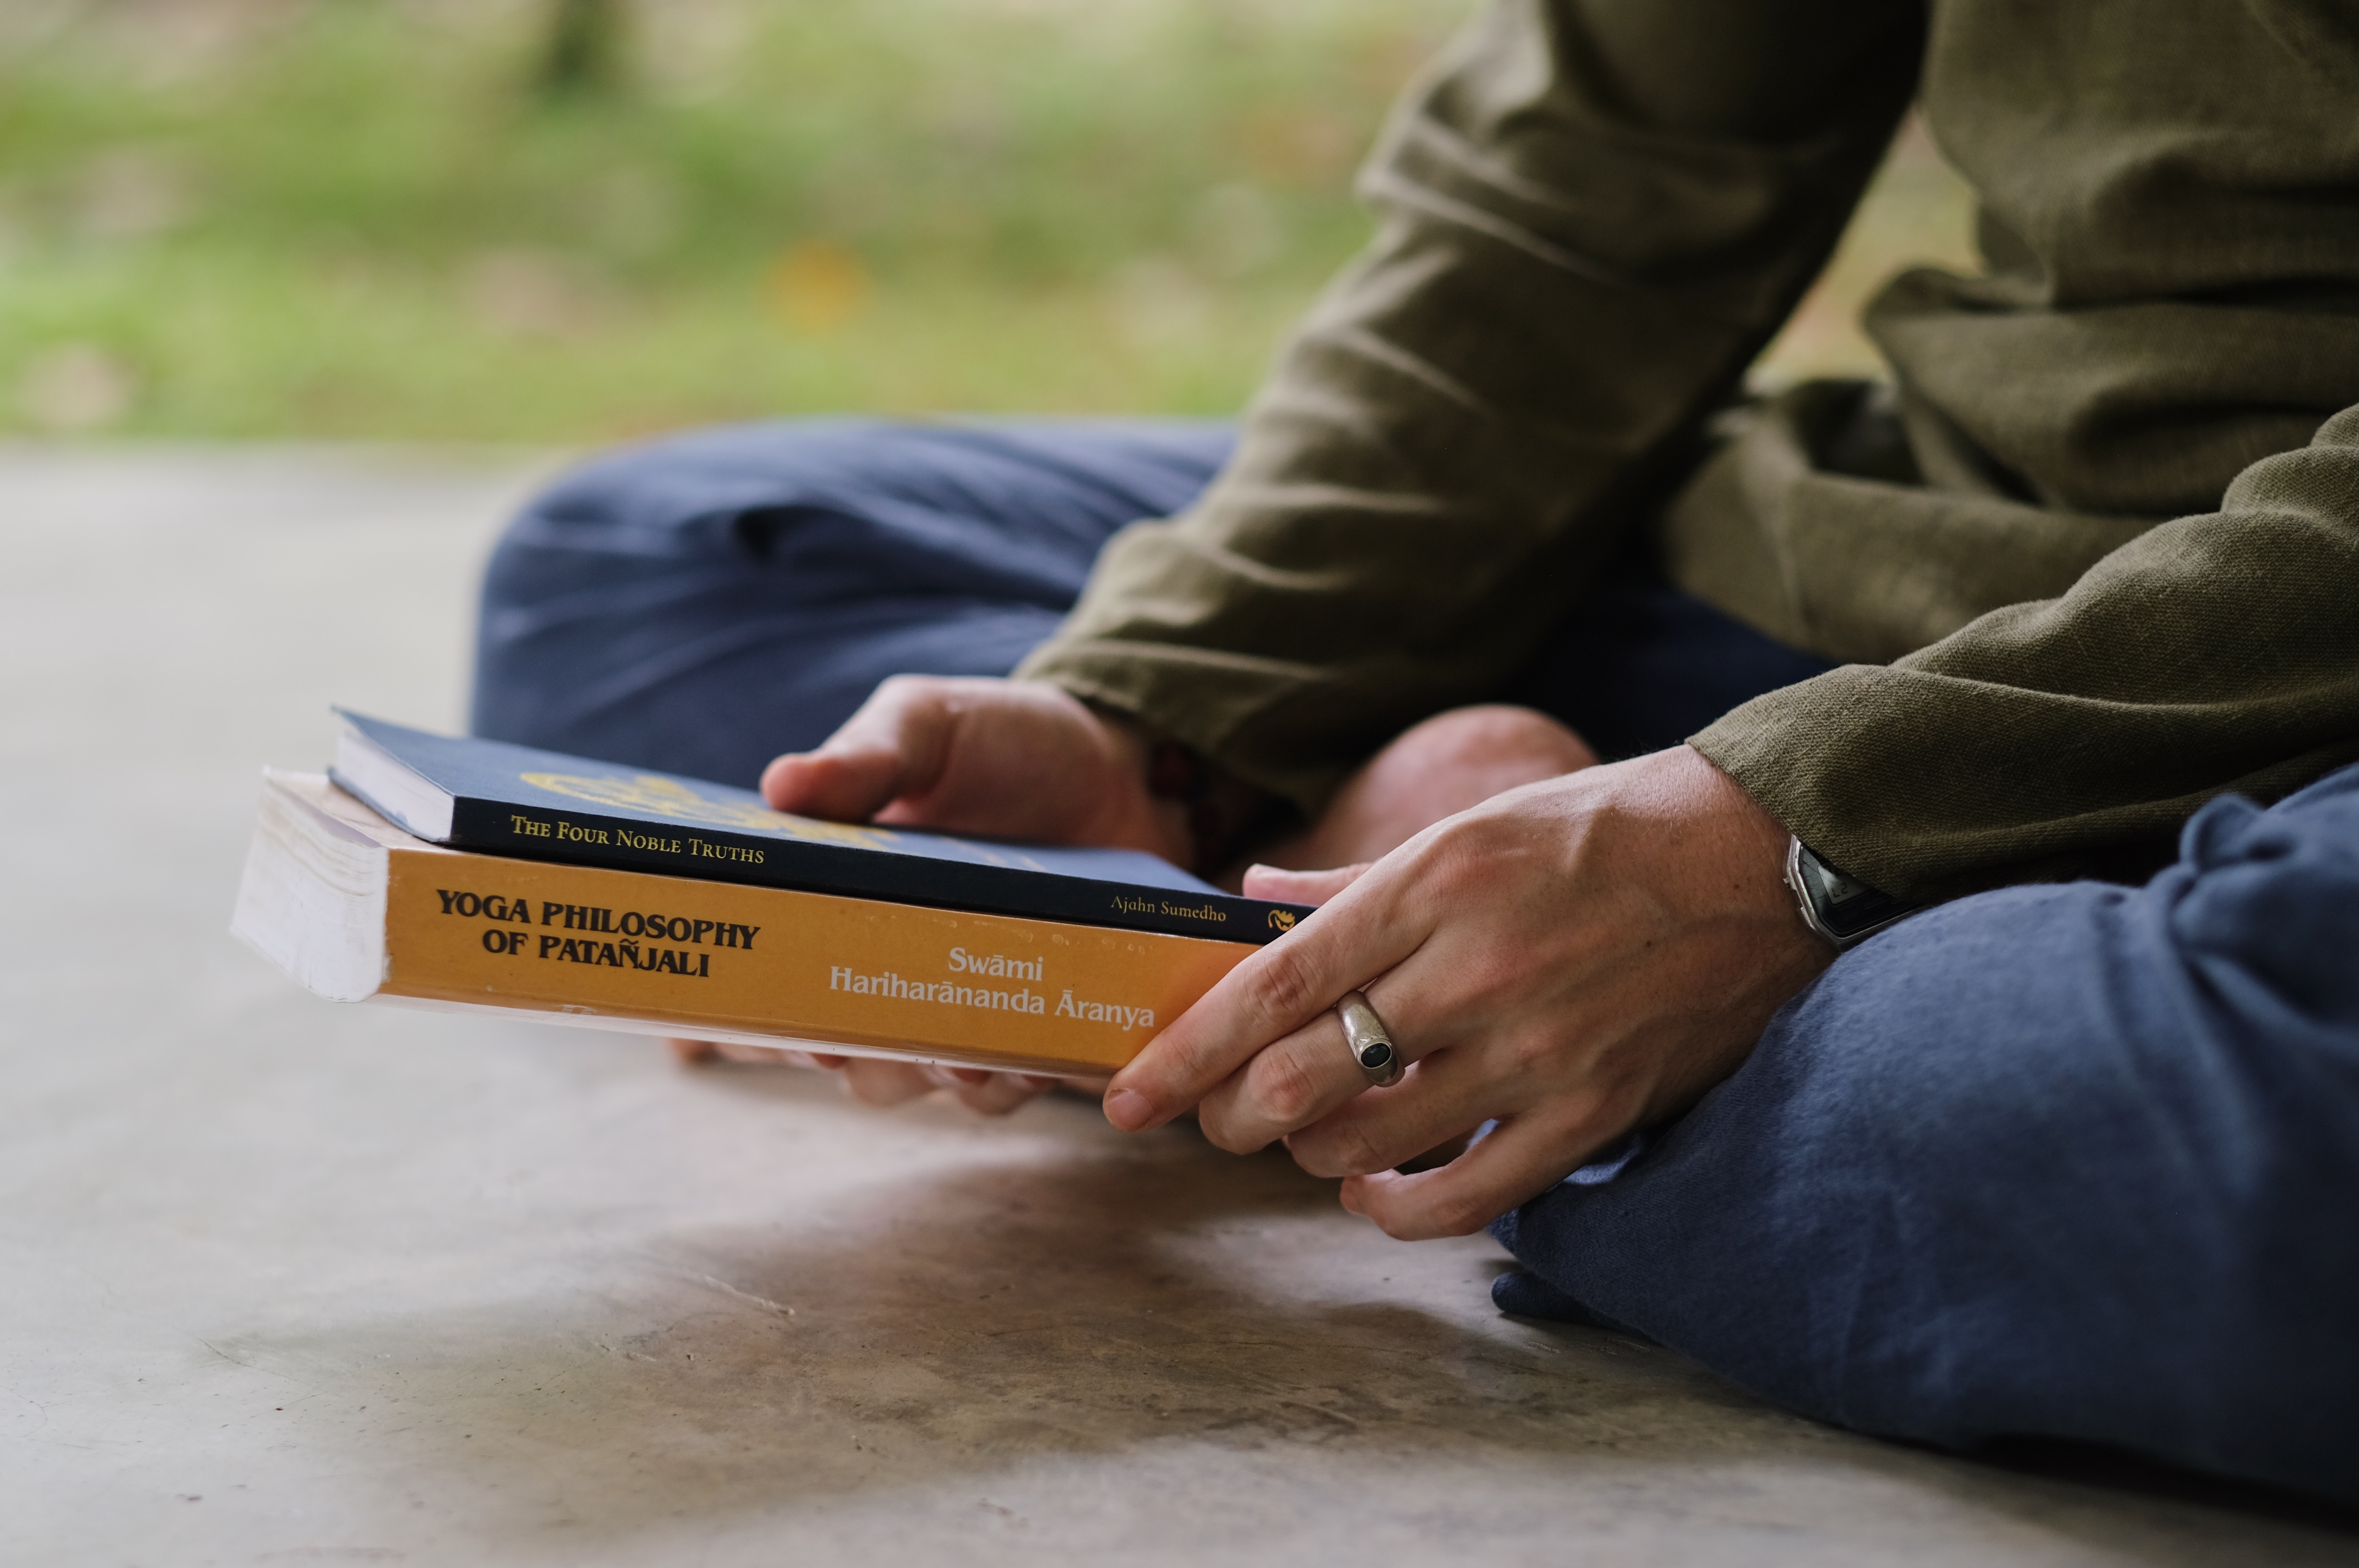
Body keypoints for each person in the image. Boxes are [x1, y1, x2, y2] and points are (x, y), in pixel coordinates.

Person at [471, 0, 2359, 1504]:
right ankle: (1501, 944)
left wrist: (1791, 832)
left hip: (2309, 718)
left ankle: (1506, 991)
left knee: (2285, 1155)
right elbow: (1601, 179)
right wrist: (1172, 714)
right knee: (647, 574)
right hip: (1910, 556)